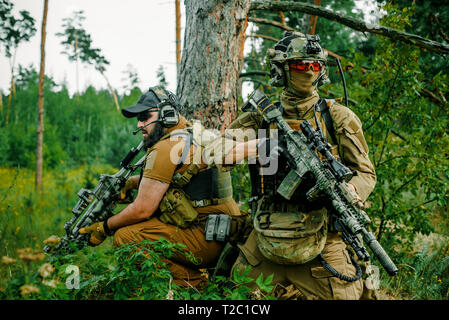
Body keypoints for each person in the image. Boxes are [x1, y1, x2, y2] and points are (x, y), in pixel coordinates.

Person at [206, 31, 377, 299]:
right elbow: (217, 152)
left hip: (323, 235)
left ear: (322, 71)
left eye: (314, 66)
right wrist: (268, 145)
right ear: (283, 69)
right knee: (233, 297)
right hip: (267, 232)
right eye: (300, 65)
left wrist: (352, 189)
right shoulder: (260, 118)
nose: (308, 71)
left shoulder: (337, 117)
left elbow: (366, 173)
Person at [78, 86, 244, 288]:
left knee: (126, 237)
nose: (139, 124)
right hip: (227, 234)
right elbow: (177, 182)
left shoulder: (165, 148)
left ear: (167, 114)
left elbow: (142, 209)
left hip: (207, 241)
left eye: (144, 116)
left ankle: (195, 284)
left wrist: (104, 227)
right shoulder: (194, 135)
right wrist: (132, 183)